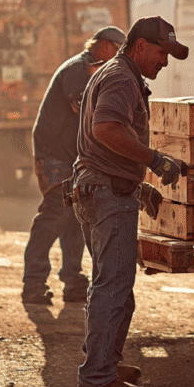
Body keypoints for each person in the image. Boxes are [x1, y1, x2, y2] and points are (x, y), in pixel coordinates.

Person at [72, 17, 189, 387]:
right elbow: (106, 129)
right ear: (139, 46)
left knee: (115, 286)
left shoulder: (116, 73)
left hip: (99, 189)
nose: (164, 62)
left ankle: (104, 361)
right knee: (113, 286)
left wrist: (139, 182)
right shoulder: (123, 78)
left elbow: (106, 138)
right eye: (160, 52)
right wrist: (155, 161)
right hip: (107, 194)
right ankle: (97, 377)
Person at [21, 25, 127, 306]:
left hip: (70, 157)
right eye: (118, 51)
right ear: (105, 46)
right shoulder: (79, 70)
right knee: (55, 213)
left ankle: (73, 281)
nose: (119, 59)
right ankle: (33, 282)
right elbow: (87, 111)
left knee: (75, 217)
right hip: (55, 155)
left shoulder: (89, 70)